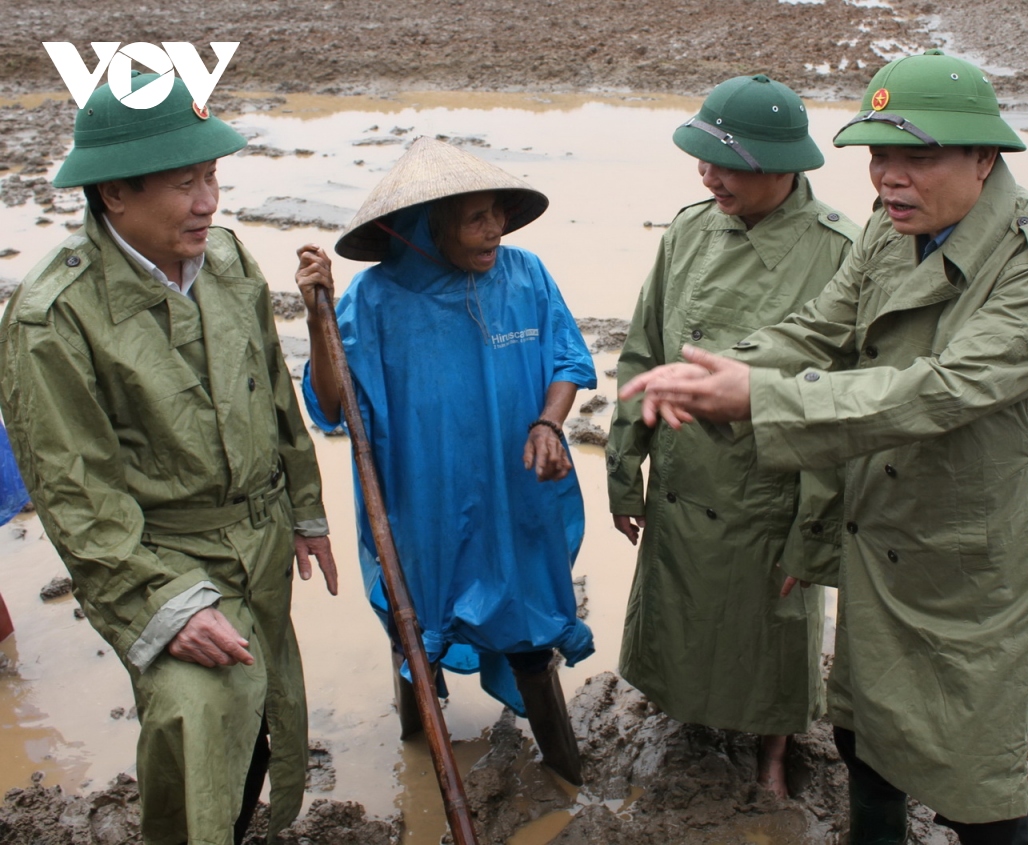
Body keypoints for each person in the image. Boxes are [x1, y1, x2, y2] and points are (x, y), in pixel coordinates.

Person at [620, 50, 1028, 844]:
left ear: (986, 157)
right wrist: (735, 365)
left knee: (975, 770)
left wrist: (761, 398)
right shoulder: (890, 230)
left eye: (919, 157)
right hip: (884, 525)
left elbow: (939, 391)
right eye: (879, 157)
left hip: (974, 551)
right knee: (863, 740)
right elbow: (823, 327)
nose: (889, 179)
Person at [0, 72, 338, 845]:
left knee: (262, 709)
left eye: (212, 175)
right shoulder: (52, 319)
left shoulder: (227, 262)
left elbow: (273, 395)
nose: (208, 201)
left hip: (257, 536)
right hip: (161, 554)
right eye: (184, 183)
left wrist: (305, 505)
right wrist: (165, 602)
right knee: (197, 711)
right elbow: (76, 495)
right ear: (114, 194)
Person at [295, 136, 596, 785]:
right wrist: (318, 319)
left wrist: (549, 420)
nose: (494, 230)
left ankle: (566, 769)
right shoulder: (375, 300)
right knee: (418, 629)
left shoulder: (526, 275)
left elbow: (569, 359)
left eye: (497, 214)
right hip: (424, 508)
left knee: (530, 631)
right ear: (431, 224)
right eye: (475, 218)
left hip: (517, 500)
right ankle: (417, 736)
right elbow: (331, 403)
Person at [606, 74, 859, 798]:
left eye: (727, 164)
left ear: (784, 166)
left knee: (770, 633)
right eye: (703, 158)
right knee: (680, 620)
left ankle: (774, 748)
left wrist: (817, 535)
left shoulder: (840, 251)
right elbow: (645, 348)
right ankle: (687, 712)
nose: (708, 176)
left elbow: (842, 409)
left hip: (768, 491)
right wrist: (626, 467)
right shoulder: (689, 227)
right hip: (684, 481)